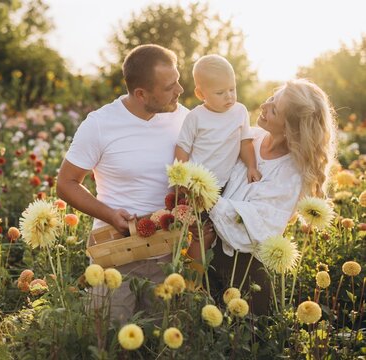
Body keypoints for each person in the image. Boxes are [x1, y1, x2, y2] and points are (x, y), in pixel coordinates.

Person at [56, 44, 188, 321]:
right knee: (110, 337)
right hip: (115, 253)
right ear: (141, 94)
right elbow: (66, 183)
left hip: (166, 254)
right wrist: (110, 215)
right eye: (169, 86)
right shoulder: (100, 124)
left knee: (160, 339)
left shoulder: (185, 120)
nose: (180, 90)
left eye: (177, 80)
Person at [200, 79, 337, 315]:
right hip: (205, 254)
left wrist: (206, 196)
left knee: (240, 344)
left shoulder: (291, 173)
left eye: (274, 109)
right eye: (271, 98)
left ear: (290, 128)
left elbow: (254, 226)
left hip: (245, 272)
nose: (264, 105)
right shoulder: (249, 138)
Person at [174, 54, 262, 262]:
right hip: (198, 187)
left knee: (221, 231)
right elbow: (182, 149)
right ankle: (194, 279)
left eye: (232, 89)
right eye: (221, 92)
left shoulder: (239, 112)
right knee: (200, 233)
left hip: (226, 186)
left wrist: (252, 166)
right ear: (200, 93)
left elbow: (245, 142)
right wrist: (182, 181)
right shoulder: (195, 117)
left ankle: (212, 274)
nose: (229, 97)